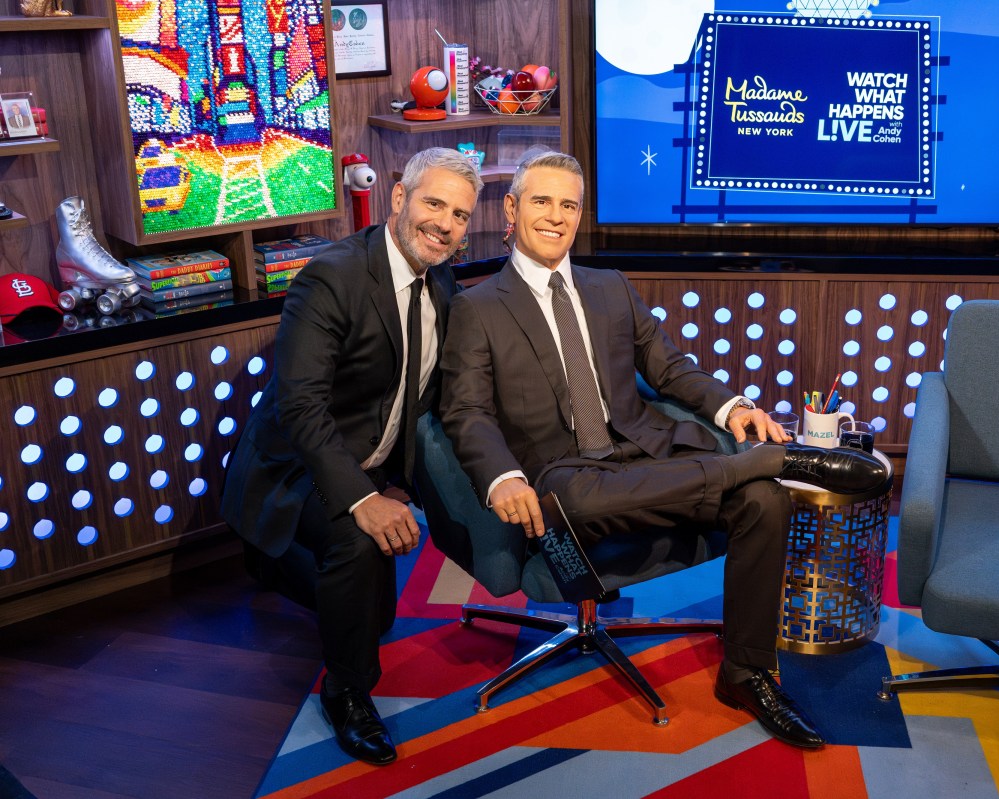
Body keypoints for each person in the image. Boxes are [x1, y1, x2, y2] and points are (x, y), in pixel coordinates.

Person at [439, 151, 886, 748]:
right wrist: (502, 480)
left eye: (568, 205)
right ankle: (775, 461)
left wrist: (736, 408)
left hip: (646, 455)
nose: (555, 217)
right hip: (563, 476)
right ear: (513, 210)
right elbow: (465, 411)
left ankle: (747, 673)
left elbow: (670, 369)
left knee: (763, 502)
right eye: (541, 202)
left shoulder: (611, 288)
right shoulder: (478, 306)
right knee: (575, 498)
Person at [220, 147, 483, 766]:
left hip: (370, 461)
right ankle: (347, 692)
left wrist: (396, 484)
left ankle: (279, 565)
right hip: (294, 466)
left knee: (377, 614)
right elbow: (300, 408)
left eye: (461, 215)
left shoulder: (441, 280)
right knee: (361, 549)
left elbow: (420, 398)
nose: (446, 223)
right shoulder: (331, 276)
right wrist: (364, 498)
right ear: (398, 198)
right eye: (434, 204)